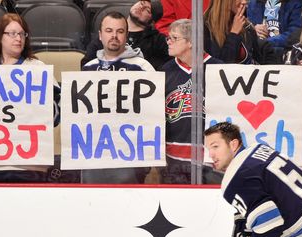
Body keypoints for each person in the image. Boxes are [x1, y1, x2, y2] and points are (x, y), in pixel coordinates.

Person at [0, 13, 62, 183]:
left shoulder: (37, 69)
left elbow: (56, 116)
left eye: (22, 34)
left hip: (30, 165)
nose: (18, 38)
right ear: (0, 37)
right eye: (12, 33)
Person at [81, 11, 154, 184]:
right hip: (94, 155)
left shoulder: (143, 68)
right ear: (100, 35)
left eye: (120, 31)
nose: (114, 36)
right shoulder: (88, 69)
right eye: (108, 30)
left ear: (126, 35)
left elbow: (153, 113)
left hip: (130, 155)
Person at [160, 19, 223, 184]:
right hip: (173, 159)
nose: (169, 41)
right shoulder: (166, 70)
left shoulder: (218, 69)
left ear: (191, 42)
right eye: (168, 37)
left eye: (174, 38)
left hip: (210, 159)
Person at [81, 0, 170, 71]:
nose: (141, 7)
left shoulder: (158, 41)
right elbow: (86, 65)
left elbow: (166, 69)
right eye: (141, 2)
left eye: (147, 10)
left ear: (152, 22)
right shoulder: (107, 36)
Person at [203, 0, 264, 64]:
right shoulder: (204, 28)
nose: (244, 2)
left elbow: (258, 62)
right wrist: (234, 34)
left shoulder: (247, 26)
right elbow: (221, 65)